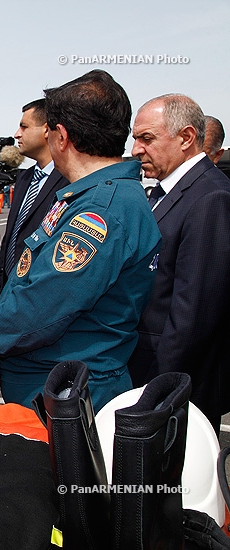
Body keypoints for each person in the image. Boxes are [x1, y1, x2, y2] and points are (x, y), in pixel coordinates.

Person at [0, 69, 162, 413]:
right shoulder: (86, 197)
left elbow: (45, 303)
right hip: (52, 387)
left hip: (67, 395)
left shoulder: (101, 210)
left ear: (61, 136)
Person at [127, 94, 230, 433]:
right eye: (135, 138)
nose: (136, 150)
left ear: (186, 138)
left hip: (173, 388)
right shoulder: (164, 192)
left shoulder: (210, 197)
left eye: (147, 138)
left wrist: (152, 392)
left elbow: (193, 315)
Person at [0, 99, 70, 305]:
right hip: (9, 296)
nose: (17, 134)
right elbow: (9, 241)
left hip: (38, 301)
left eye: (24, 126)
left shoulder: (68, 180)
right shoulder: (25, 178)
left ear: (46, 130)